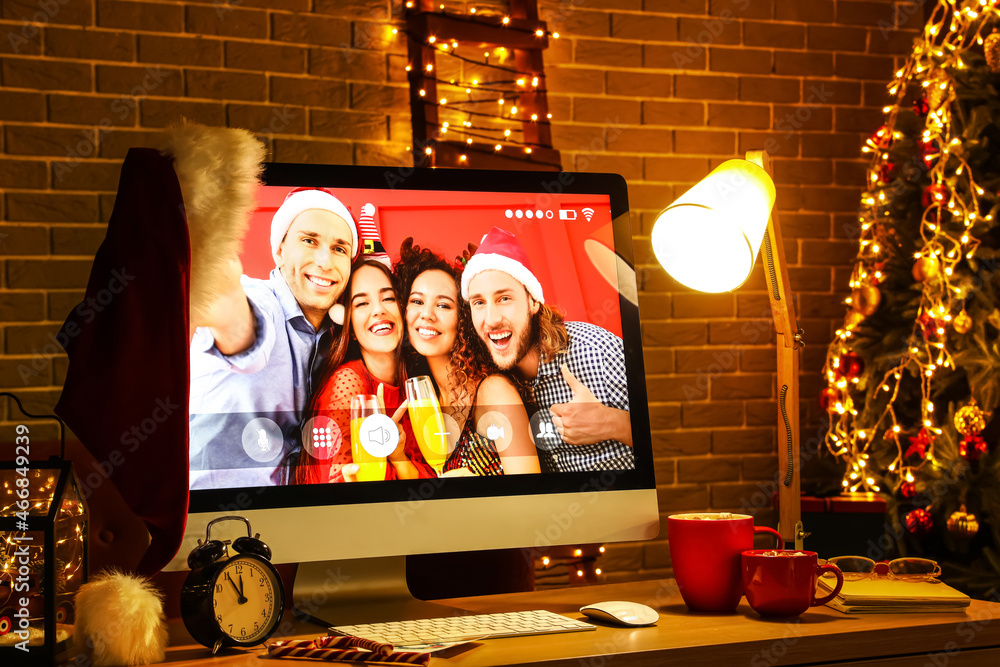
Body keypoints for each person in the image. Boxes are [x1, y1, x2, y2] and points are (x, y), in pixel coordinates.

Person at [188, 187, 361, 489]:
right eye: (309, 241)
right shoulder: (259, 299)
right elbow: (248, 333)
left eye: (339, 249)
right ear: (280, 250)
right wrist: (228, 306)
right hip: (203, 517)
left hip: (281, 519)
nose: (324, 261)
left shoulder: (336, 338)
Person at [461, 227, 633, 473]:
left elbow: (674, 438)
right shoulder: (496, 381)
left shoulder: (596, 352)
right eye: (479, 302)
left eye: (504, 298)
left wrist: (613, 423)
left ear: (533, 301)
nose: (491, 319)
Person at [395, 239, 540, 476]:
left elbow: (533, 494)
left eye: (443, 305)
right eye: (417, 301)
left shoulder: (493, 393)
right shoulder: (426, 401)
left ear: (463, 319)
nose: (427, 314)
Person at [296, 259, 436, 484]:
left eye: (388, 298)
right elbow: (349, 484)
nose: (379, 310)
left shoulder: (413, 383)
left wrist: (398, 456)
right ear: (349, 326)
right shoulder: (347, 384)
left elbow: (435, 476)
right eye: (362, 303)